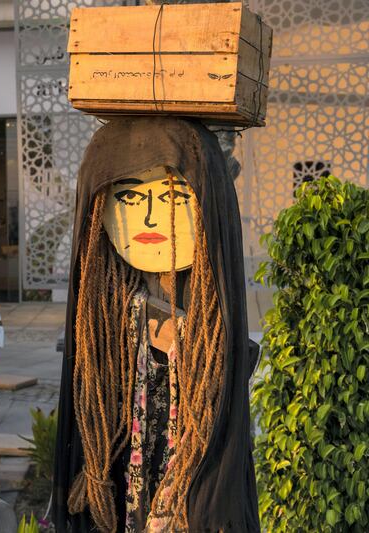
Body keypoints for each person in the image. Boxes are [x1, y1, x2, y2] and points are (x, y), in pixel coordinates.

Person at [53, 117, 259, 532]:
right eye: (128, 198)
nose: (149, 218)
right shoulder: (106, 314)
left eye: (173, 196)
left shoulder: (208, 315)